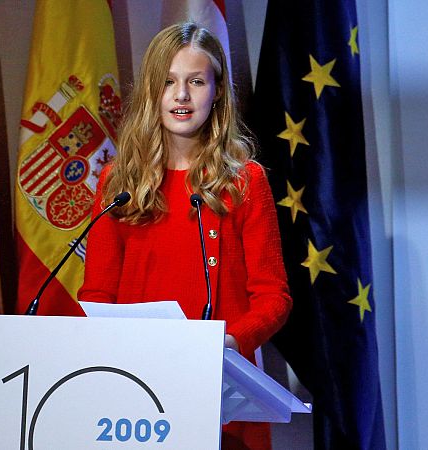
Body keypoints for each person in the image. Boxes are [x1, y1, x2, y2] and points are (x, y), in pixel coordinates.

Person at [78, 22, 292, 450]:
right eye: (169, 82)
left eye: (196, 81)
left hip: (221, 391)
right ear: (151, 94)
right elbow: (97, 292)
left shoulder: (244, 182)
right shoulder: (119, 183)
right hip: (136, 389)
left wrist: (230, 342)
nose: (181, 95)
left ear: (216, 94)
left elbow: (274, 297)